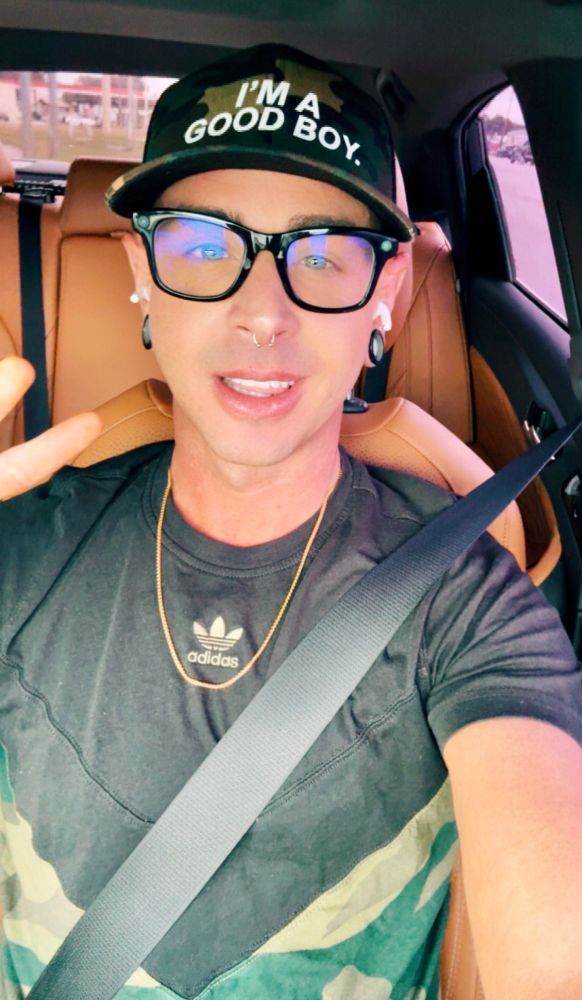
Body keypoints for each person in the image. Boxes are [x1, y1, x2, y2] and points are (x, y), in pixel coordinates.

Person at [0, 43, 581, 1000]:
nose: (263, 314)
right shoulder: (20, 547)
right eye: (202, 247)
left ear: (385, 293)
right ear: (141, 271)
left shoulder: (469, 604)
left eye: (322, 253)